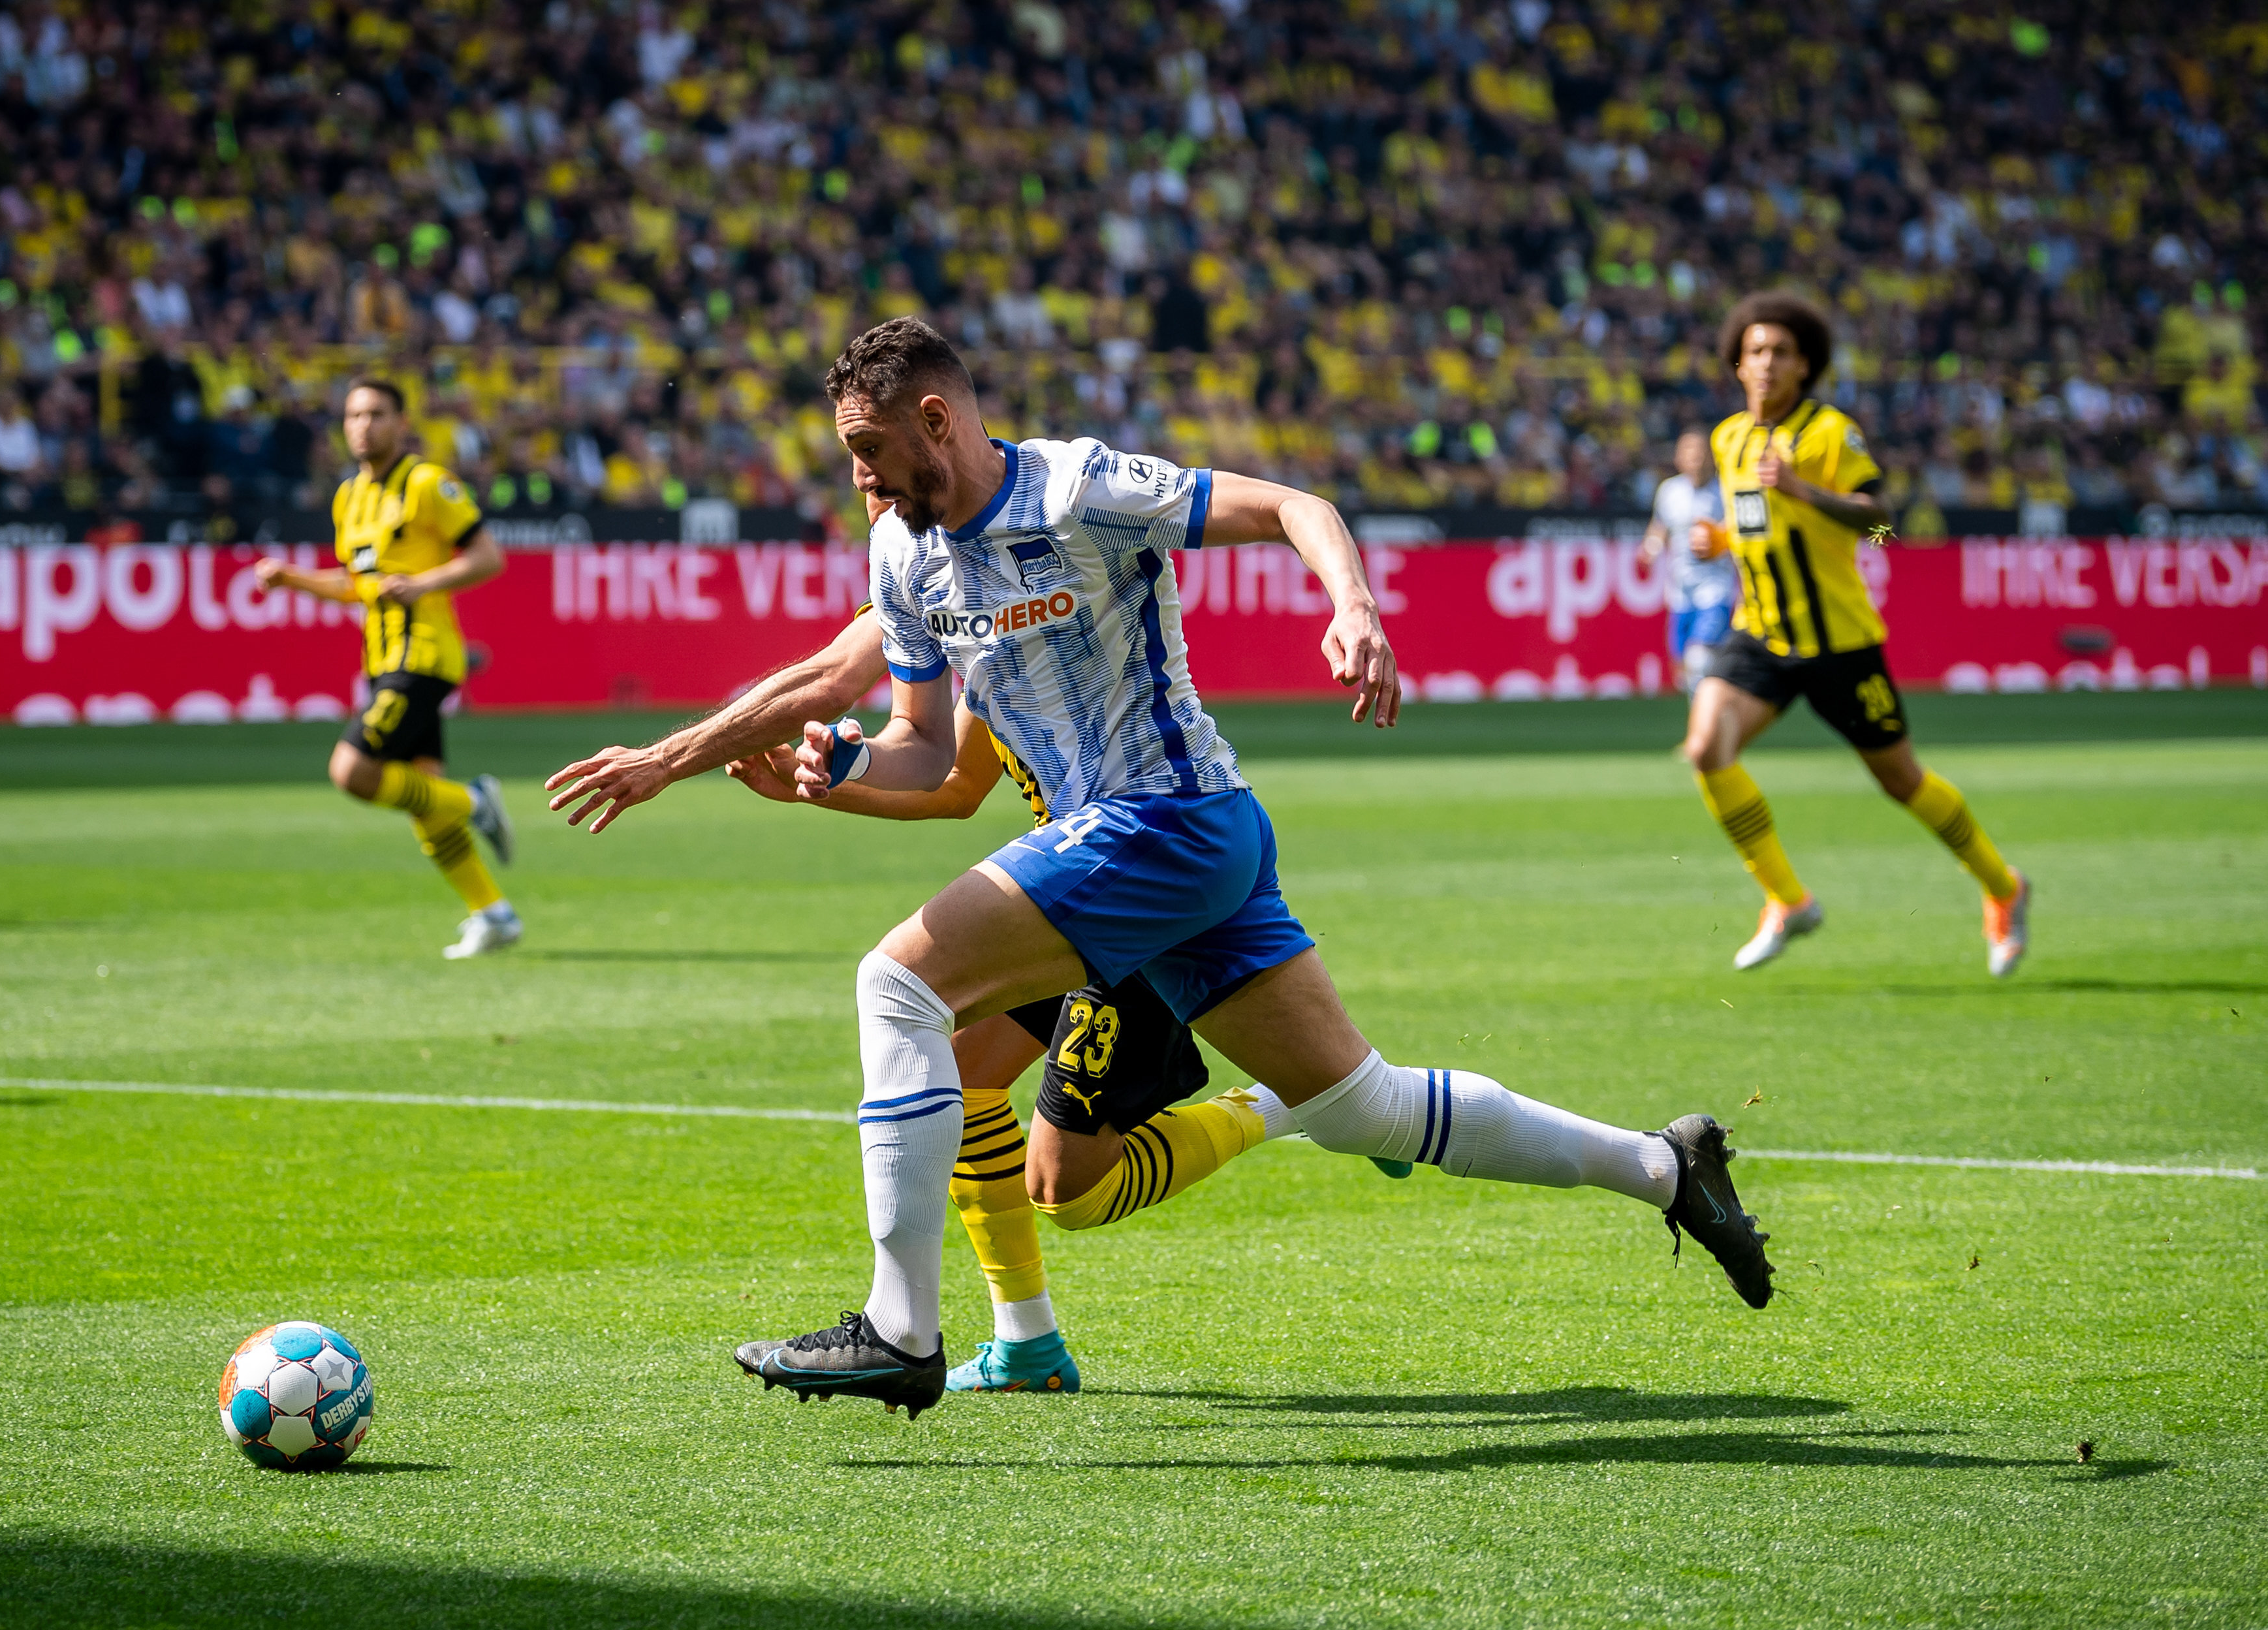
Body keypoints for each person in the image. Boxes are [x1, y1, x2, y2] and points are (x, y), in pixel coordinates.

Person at [731, 318, 1775, 1418]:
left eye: (867, 451)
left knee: (900, 991)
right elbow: (936, 763)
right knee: (1361, 1107)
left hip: (1155, 834)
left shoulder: (1072, 494)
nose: (860, 481)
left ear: (933, 423)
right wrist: (832, 771)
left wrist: (1355, 607)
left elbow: (1292, 505)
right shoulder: (932, 576)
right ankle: (1664, 1167)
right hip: (1142, 858)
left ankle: (903, 1328)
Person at [544, 499, 1369, 1397]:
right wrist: (815, 794)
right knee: (964, 1072)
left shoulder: (1019, 579)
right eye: (866, 481)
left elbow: (832, 682)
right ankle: (1027, 1344)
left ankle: (1289, 1102)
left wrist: (670, 759)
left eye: (888, 473)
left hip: (1128, 889)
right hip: (1056, 892)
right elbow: (956, 785)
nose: (879, 499)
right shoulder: (925, 592)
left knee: (1070, 1190)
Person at [1689, 292, 2029, 976]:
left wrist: (1806, 491)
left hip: (1840, 644)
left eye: (1781, 353)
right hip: (1760, 635)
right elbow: (1761, 528)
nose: (1766, 363)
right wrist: (1719, 539)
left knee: (1901, 781)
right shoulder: (1728, 440)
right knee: (1705, 747)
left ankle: (2003, 885)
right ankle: (1787, 899)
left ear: (1804, 366)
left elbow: (1883, 522)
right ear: (1737, 363)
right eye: (1755, 350)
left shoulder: (1828, 435)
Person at [254, 379, 520, 959]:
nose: (362, 426)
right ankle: (493, 913)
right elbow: (359, 585)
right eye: (353, 415)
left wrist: (422, 583)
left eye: (375, 414)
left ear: (402, 422)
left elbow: (487, 557)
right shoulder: (348, 496)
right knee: (423, 801)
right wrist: (292, 578)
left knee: (352, 770)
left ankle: (476, 801)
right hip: (381, 659)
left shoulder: (427, 484)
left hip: (422, 656)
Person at [1638, 430, 1733, 691]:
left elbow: (1738, 531)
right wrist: (1651, 548)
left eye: (1701, 452)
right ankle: (1711, 719)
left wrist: (1719, 541)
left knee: (1700, 659)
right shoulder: (1669, 491)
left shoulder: (1725, 491)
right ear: (1679, 458)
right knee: (1685, 672)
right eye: (1690, 452)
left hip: (1715, 587)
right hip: (1680, 591)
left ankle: (1708, 726)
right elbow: (1660, 527)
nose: (1696, 458)